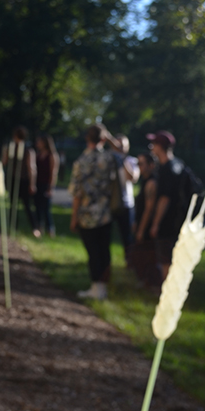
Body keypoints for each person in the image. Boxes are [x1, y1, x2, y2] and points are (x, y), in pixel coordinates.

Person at [69, 124, 116, 300]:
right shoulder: (109, 158)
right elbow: (122, 153)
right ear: (103, 138)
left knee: (93, 252)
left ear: (87, 139)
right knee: (104, 251)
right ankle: (102, 288)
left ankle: (96, 288)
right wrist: (109, 138)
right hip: (105, 213)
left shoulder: (81, 161)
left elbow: (77, 193)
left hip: (87, 215)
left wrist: (74, 217)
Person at [147, 130, 187, 279]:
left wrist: (156, 223)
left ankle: (167, 292)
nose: (151, 147)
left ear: (159, 146)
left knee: (165, 259)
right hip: (179, 219)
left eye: (153, 144)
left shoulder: (166, 169)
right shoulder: (178, 164)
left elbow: (165, 198)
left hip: (167, 221)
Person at [102, 132, 139, 264]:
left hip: (126, 205)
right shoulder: (106, 159)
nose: (121, 147)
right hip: (109, 204)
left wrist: (122, 159)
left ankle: (130, 263)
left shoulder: (131, 161)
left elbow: (133, 178)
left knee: (127, 237)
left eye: (124, 145)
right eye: (118, 144)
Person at [129, 151, 161, 287]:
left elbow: (149, 209)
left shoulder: (151, 183)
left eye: (141, 164)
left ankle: (150, 282)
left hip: (147, 226)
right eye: (138, 164)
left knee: (147, 255)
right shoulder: (144, 181)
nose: (139, 167)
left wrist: (141, 229)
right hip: (141, 223)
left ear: (151, 165)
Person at [5, 126, 38, 235]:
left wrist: (32, 184)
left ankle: (17, 226)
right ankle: (29, 228)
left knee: (18, 204)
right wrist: (32, 183)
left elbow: (31, 168)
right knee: (24, 205)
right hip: (20, 180)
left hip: (20, 180)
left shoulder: (25, 150)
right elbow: (32, 169)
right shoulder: (25, 149)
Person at [35, 134, 59, 237]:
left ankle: (50, 230)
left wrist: (50, 187)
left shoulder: (52, 155)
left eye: (39, 141)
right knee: (37, 208)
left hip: (46, 185)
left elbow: (53, 172)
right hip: (37, 183)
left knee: (46, 209)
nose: (37, 144)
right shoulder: (38, 154)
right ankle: (39, 229)